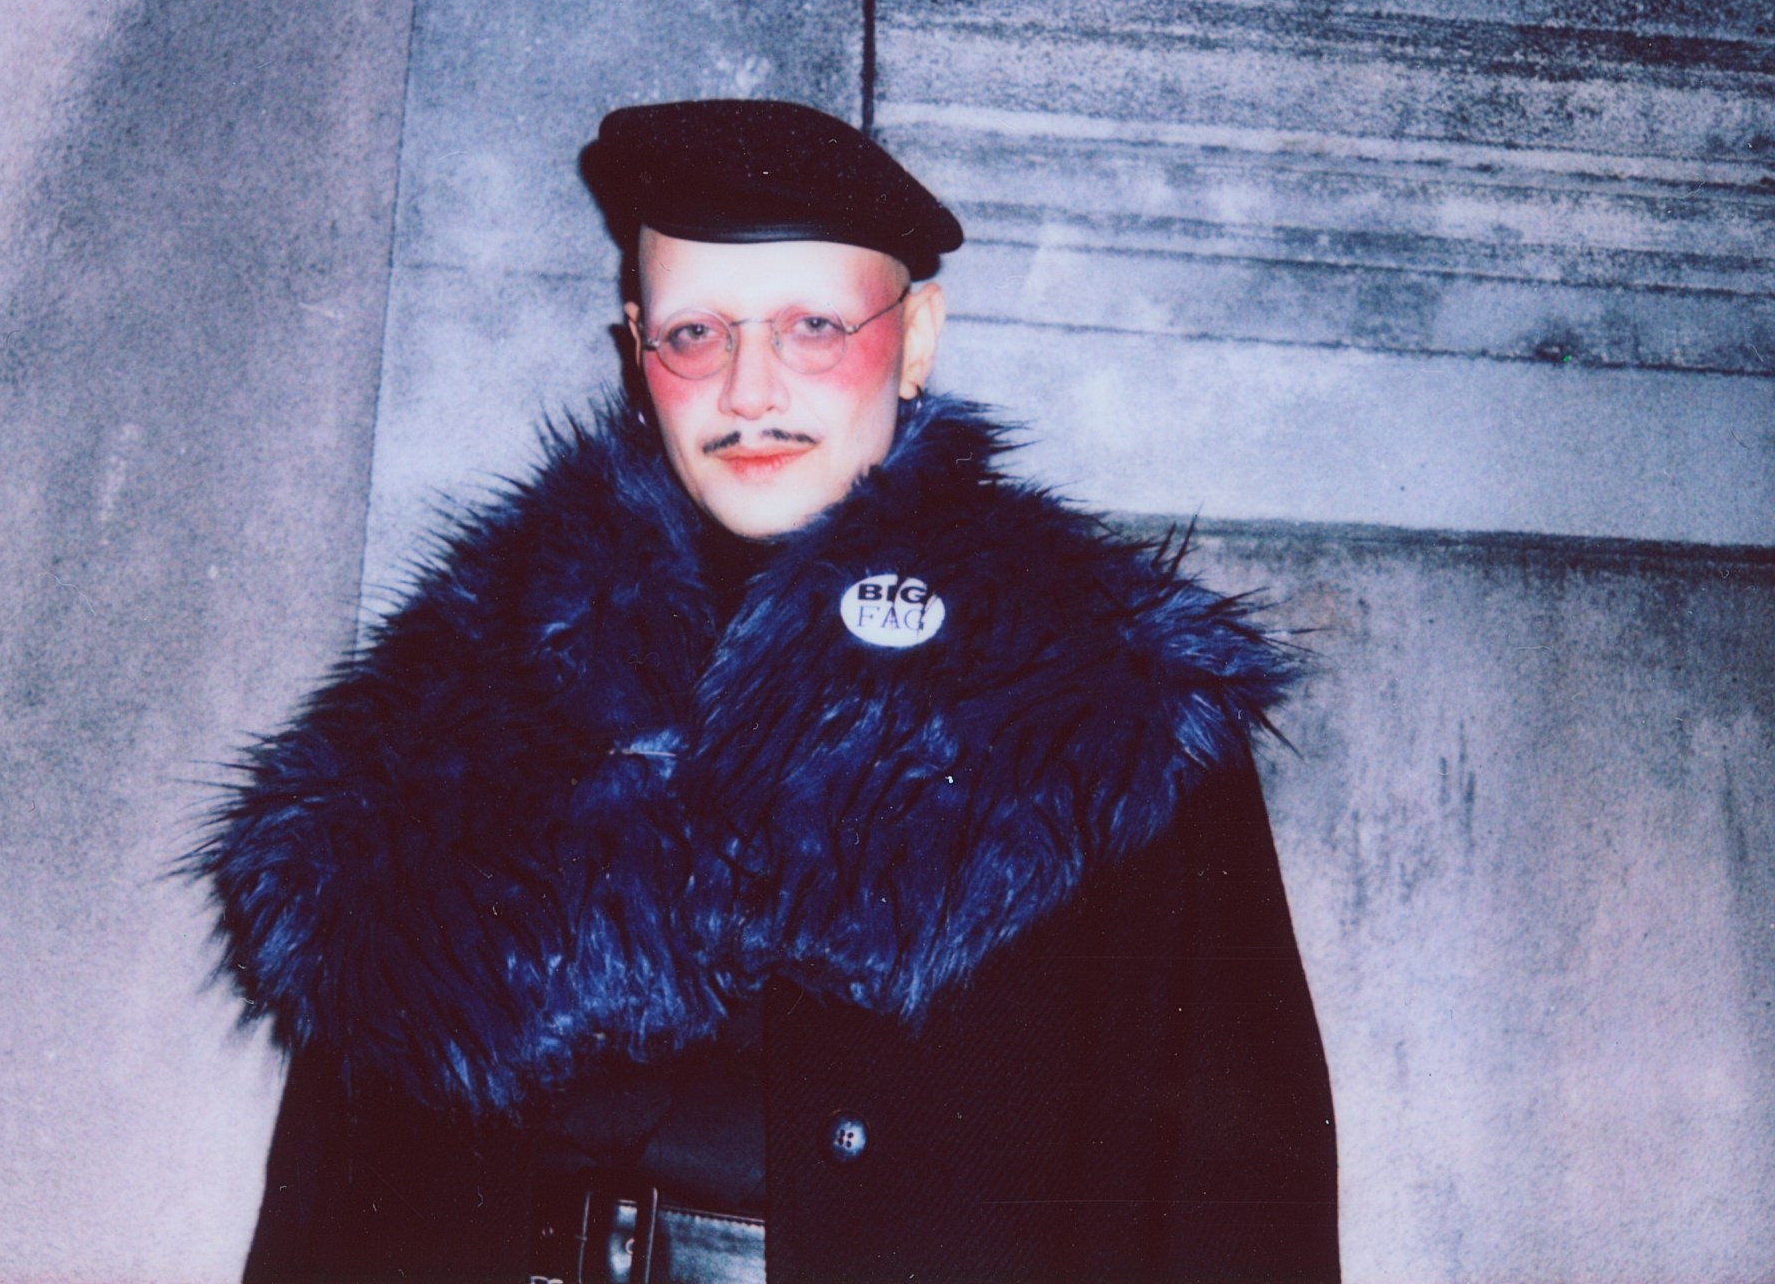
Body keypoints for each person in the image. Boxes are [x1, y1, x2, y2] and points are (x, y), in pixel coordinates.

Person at [196, 99, 1339, 1282]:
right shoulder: (457, 702)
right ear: (635, 349)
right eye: (695, 332)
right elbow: (333, 1200)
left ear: (915, 335)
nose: (748, 388)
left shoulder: (1105, 707)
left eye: (811, 325)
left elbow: (1239, 1204)